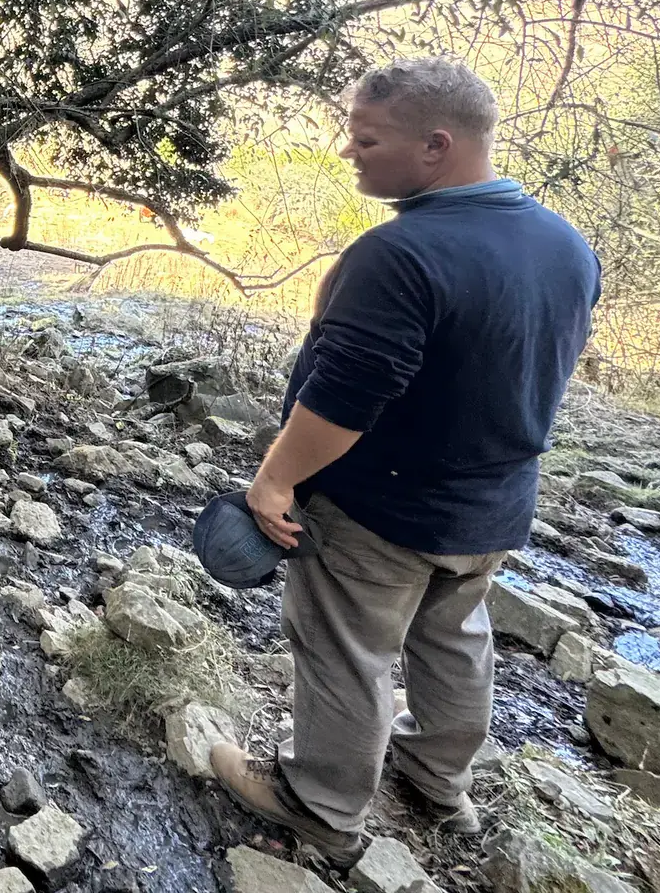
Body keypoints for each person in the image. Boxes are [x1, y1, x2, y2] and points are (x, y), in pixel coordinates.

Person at [210, 59, 599, 864]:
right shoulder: (565, 244)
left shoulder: (402, 253)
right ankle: (435, 782)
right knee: (454, 638)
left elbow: (346, 398)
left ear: (436, 146)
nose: (349, 152)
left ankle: (320, 806)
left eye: (366, 137)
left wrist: (275, 478)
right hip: (492, 506)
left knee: (348, 649)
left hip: (381, 507)